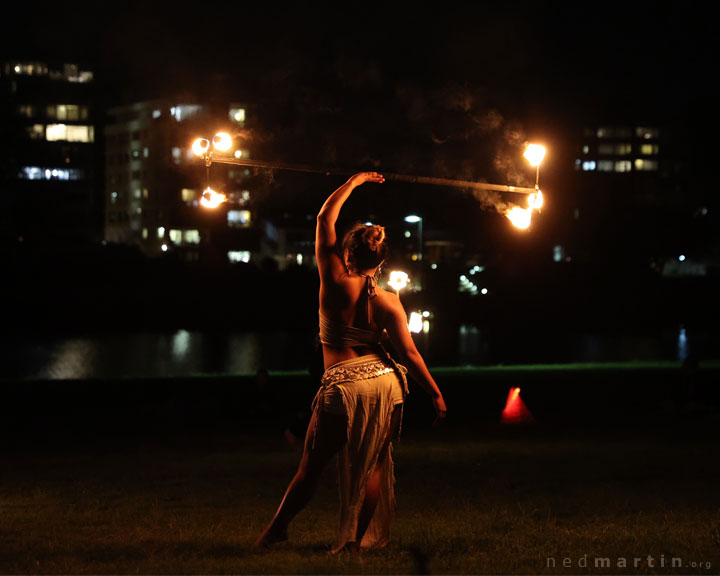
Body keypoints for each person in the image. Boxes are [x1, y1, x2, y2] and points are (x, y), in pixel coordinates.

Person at [253, 172, 447, 552]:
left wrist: (354, 182)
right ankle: (355, 542)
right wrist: (436, 395)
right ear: (382, 259)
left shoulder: (334, 279)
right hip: (386, 384)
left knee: (311, 466)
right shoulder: (390, 300)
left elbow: (326, 218)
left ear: (348, 253)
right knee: (374, 465)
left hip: (344, 385)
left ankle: (275, 530)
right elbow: (409, 354)